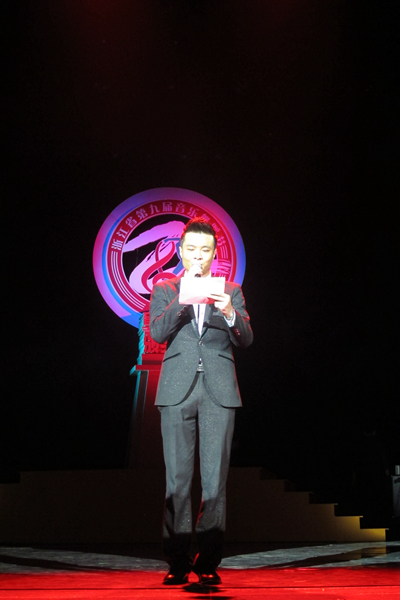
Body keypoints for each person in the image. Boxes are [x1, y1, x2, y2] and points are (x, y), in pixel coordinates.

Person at [149, 217, 253, 585]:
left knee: (214, 483)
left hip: (218, 390)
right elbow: (157, 332)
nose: (198, 255)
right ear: (181, 251)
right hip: (177, 390)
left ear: (213, 254)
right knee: (177, 481)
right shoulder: (165, 289)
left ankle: (208, 560)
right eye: (191, 249)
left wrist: (229, 312)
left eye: (205, 250)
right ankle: (176, 561)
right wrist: (184, 297)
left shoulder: (231, 290)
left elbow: (246, 338)